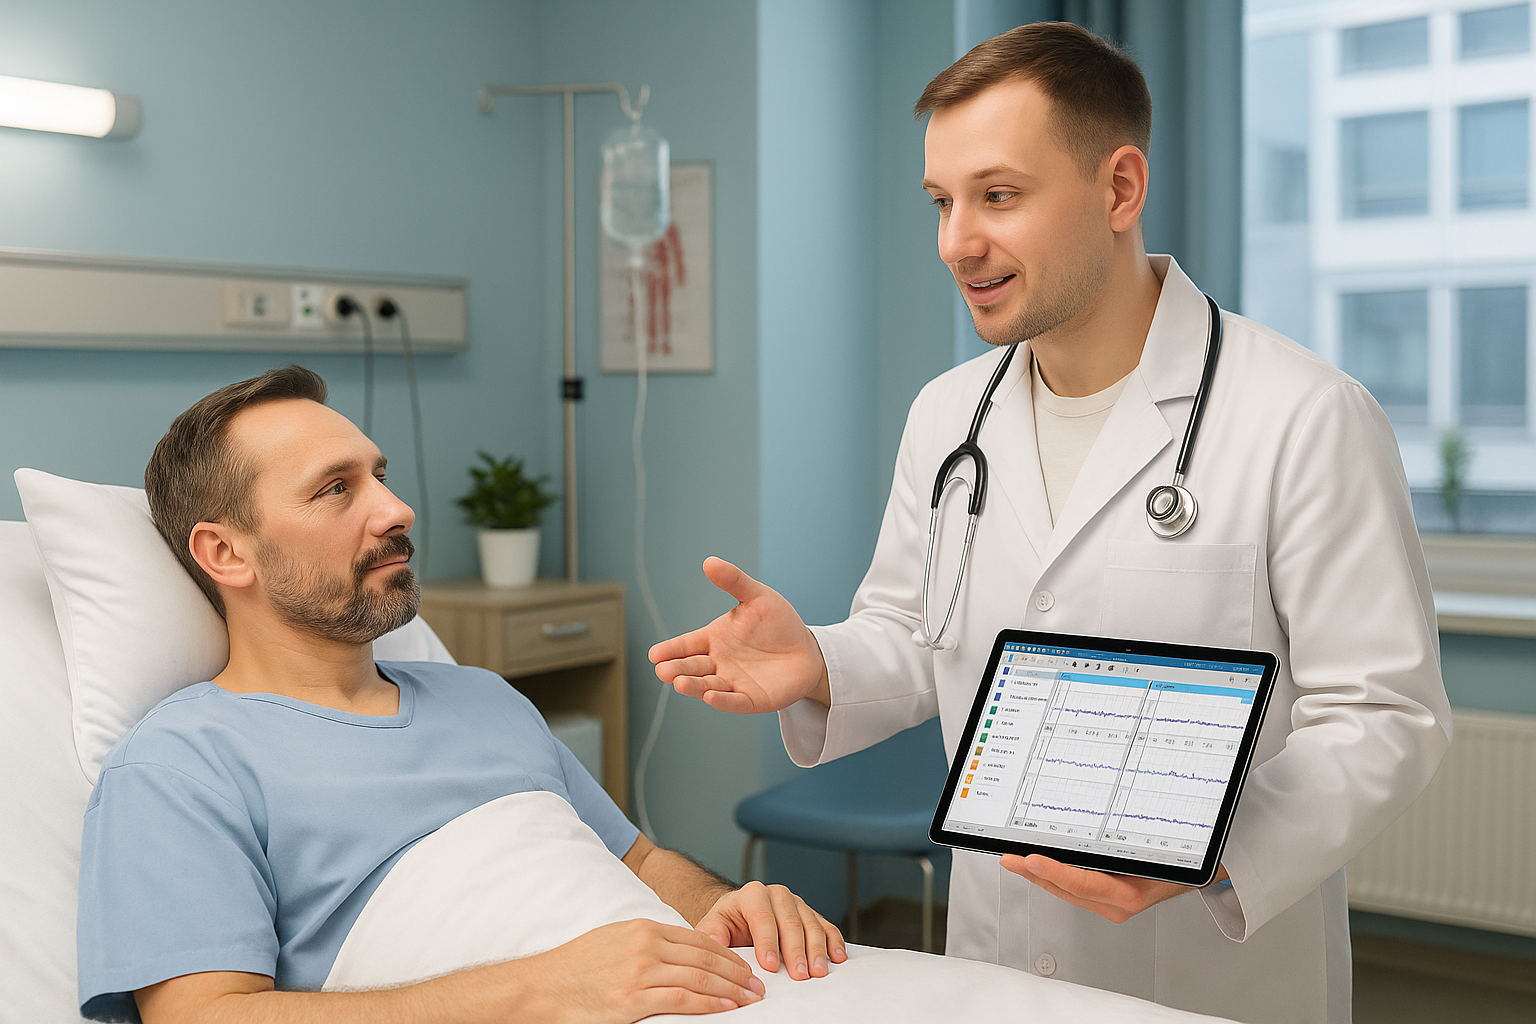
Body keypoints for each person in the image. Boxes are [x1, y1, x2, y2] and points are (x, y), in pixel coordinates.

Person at [650, 22, 1451, 1024]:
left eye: (999, 195)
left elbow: (1387, 714)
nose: (956, 242)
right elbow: (917, 637)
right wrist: (816, 660)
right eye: (942, 202)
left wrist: (1214, 850)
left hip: (1210, 975)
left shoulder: (1303, 415)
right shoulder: (948, 417)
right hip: (997, 960)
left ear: (1119, 190)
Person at [76, 366, 845, 1024]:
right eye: (335, 490)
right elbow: (207, 1016)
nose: (396, 509)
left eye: (378, 475)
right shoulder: (181, 766)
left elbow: (638, 862)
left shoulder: (483, 698)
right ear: (224, 552)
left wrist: (725, 903)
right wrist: (537, 988)